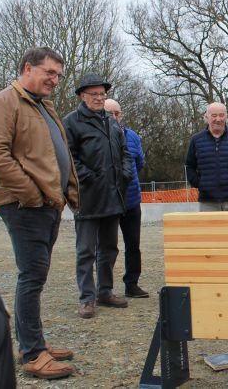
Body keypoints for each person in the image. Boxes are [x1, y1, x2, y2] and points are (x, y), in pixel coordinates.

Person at [0, 47, 79, 379]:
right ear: (28, 68)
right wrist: (30, 193)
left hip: (46, 204)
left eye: (58, 74)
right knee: (31, 276)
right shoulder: (4, 102)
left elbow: (55, 152)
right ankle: (32, 353)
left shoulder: (43, 106)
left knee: (36, 277)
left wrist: (62, 191)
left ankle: (36, 342)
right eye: (49, 72)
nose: (55, 80)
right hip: (26, 205)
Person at [63, 73, 133, 319]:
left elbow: (124, 151)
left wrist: (125, 173)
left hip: (113, 197)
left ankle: (105, 291)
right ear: (82, 96)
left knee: (109, 248)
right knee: (85, 251)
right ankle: (87, 298)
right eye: (94, 94)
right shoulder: (71, 122)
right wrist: (88, 176)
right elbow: (68, 156)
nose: (99, 98)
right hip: (88, 197)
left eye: (102, 94)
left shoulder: (112, 122)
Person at [104, 99, 149, 298]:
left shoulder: (133, 137)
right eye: (109, 113)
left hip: (131, 201)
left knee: (133, 245)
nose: (114, 117)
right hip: (108, 202)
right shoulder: (97, 137)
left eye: (117, 113)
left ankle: (132, 284)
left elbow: (139, 163)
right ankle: (105, 288)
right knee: (107, 247)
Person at [185, 102, 228, 211]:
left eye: (221, 115)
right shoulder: (196, 140)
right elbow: (189, 165)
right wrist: (200, 183)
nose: (218, 119)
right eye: (214, 115)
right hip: (207, 201)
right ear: (206, 117)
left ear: (226, 117)